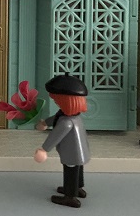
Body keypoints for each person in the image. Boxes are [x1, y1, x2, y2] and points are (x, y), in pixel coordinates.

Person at [34, 74, 91, 209]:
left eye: (57, 101)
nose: (56, 103)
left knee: (70, 172)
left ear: (67, 101)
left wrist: (44, 149)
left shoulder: (67, 122)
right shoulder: (72, 117)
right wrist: (45, 123)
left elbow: (55, 136)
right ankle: (78, 188)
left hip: (72, 152)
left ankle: (70, 197)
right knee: (78, 169)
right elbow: (56, 117)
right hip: (79, 150)